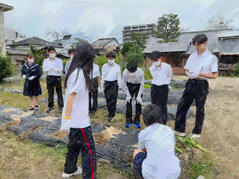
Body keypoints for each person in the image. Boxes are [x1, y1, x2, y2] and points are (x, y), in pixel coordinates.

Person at [61, 41, 97, 178]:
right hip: (80, 121)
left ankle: (69, 169)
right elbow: (70, 98)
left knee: (74, 146)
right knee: (89, 150)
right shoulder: (80, 75)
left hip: (76, 120)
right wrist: (67, 120)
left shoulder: (75, 71)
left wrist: (68, 120)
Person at [174, 34, 218, 139]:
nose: (197, 47)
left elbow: (215, 75)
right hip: (190, 82)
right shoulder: (192, 56)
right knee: (182, 105)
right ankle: (180, 130)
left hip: (201, 84)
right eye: (195, 45)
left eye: (199, 45)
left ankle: (197, 132)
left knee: (200, 108)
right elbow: (187, 69)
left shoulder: (211, 58)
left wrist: (201, 74)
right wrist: (188, 73)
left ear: (205, 43)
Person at [133, 104, 181, 179]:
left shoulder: (143, 133)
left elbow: (143, 149)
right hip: (174, 173)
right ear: (160, 117)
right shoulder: (169, 130)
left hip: (152, 176)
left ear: (145, 119)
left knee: (136, 152)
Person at [148, 51, 173, 124]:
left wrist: (165, 83)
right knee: (154, 105)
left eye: (156, 60)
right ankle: (155, 121)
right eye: (153, 60)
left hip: (163, 88)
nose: (154, 62)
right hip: (154, 87)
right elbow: (154, 77)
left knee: (163, 105)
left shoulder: (167, 67)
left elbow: (170, 76)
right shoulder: (151, 68)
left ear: (160, 58)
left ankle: (163, 122)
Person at [122, 60, 144, 128]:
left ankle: (137, 121)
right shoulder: (125, 72)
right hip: (129, 86)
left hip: (138, 86)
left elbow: (142, 84)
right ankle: (128, 121)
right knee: (128, 102)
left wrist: (139, 95)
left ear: (136, 69)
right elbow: (124, 84)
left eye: (132, 72)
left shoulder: (140, 72)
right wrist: (128, 94)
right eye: (129, 71)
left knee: (138, 102)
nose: (131, 73)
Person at [101, 51, 121, 122]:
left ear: (114, 59)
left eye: (112, 58)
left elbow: (119, 76)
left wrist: (120, 85)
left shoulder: (117, 66)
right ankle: (110, 112)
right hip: (107, 83)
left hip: (114, 83)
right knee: (108, 98)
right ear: (107, 58)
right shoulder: (104, 66)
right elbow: (102, 76)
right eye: (109, 58)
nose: (110, 60)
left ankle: (112, 114)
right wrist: (101, 86)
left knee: (113, 99)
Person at [43, 46, 64, 113]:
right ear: (48, 53)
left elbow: (60, 70)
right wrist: (50, 69)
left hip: (57, 77)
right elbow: (44, 69)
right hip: (49, 77)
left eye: (54, 52)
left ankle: (60, 107)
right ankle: (50, 106)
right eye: (51, 52)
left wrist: (54, 69)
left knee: (59, 92)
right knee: (50, 93)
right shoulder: (46, 61)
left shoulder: (59, 60)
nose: (52, 53)